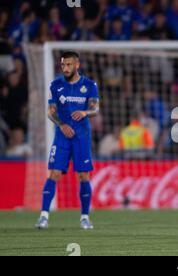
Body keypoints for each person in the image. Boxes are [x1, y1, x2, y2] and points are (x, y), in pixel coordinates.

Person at [35, 51, 99, 229]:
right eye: (63, 65)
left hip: (82, 136)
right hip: (62, 136)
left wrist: (85, 112)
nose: (65, 68)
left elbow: (95, 108)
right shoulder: (56, 85)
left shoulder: (89, 85)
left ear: (77, 65)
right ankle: (44, 216)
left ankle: (85, 217)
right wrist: (62, 125)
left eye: (69, 64)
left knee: (83, 175)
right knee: (54, 173)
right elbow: (51, 111)